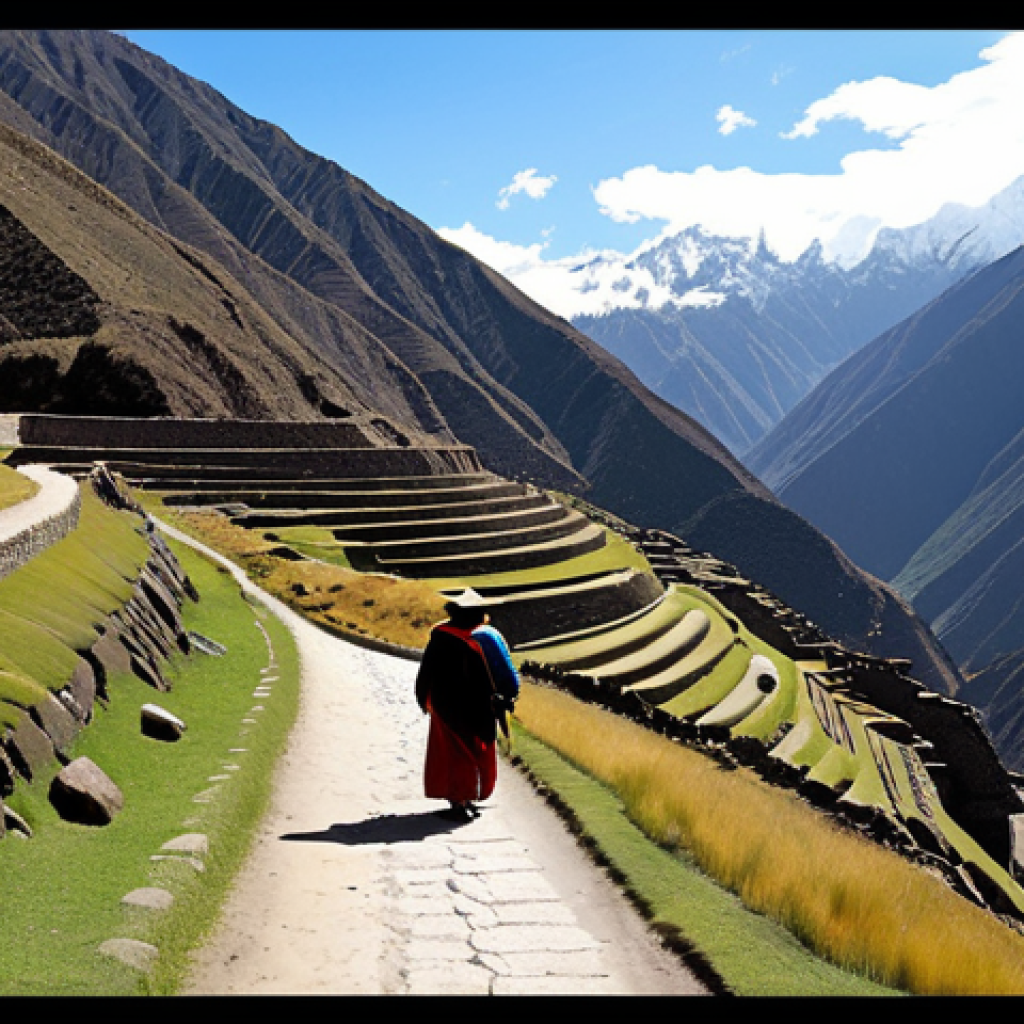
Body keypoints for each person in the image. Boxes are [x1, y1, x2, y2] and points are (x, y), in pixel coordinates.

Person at [414, 589, 518, 822]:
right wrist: (507, 699)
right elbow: (507, 674)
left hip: (446, 704)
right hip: (480, 706)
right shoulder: (488, 637)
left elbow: (427, 671)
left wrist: (424, 698)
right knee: (476, 750)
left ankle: (459, 802)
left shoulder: (441, 634)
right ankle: (468, 798)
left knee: (453, 753)